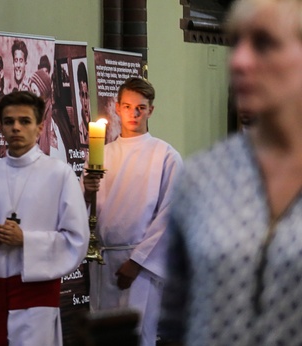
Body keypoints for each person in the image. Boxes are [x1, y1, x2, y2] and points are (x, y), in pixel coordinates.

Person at [159, 0, 302, 345]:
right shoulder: (202, 178)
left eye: (264, 43)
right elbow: (176, 319)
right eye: (235, 42)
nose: (238, 61)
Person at [0, 91, 89, 346]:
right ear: (2, 127)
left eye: (24, 121)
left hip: (37, 295)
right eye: (9, 121)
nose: (16, 127)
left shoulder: (59, 175)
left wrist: (26, 240)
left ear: (39, 127)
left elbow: (76, 239)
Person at [83, 77, 183, 346]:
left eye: (141, 107)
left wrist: (137, 262)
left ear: (151, 110)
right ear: (117, 108)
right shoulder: (100, 155)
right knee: (103, 336)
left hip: (139, 263)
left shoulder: (165, 155)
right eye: (127, 106)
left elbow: (170, 215)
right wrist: (86, 191)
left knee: (138, 335)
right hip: (103, 260)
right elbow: (85, 211)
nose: (133, 113)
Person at [76, 61, 91, 148]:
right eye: (82, 95)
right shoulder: (78, 132)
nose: (85, 103)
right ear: (79, 96)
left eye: (87, 96)